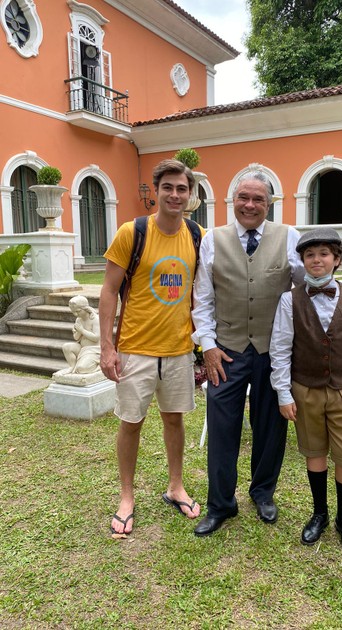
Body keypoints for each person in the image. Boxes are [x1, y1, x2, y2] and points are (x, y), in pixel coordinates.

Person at [191, 170, 342, 537]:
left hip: (272, 351)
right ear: (233, 201)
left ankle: (263, 493)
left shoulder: (289, 237)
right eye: (243, 197)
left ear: (269, 204)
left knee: (270, 428)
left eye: (259, 199)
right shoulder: (212, 240)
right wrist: (207, 346)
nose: (250, 205)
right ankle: (220, 504)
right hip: (226, 349)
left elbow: (315, 280)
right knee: (223, 429)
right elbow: (203, 298)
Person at [99, 159, 204, 537]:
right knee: (132, 422)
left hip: (178, 349)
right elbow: (109, 291)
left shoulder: (197, 235)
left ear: (190, 195)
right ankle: (126, 496)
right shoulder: (133, 232)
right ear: (156, 192)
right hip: (135, 348)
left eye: (182, 189)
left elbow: (204, 293)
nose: (175, 195)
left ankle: (175, 486)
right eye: (168, 188)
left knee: (174, 419)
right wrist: (106, 347)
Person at [269, 227, 342, 555]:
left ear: (337, 259)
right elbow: (281, 347)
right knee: (314, 453)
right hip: (306, 390)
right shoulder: (289, 300)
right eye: (310, 255)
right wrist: (284, 393)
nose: (317, 260)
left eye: (324, 254)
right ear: (302, 260)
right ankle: (320, 513)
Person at [62, 295, 101, 374]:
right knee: (66, 347)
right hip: (83, 348)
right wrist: (77, 331)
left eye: (78, 311)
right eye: (73, 312)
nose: (76, 314)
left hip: (94, 350)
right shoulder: (79, 319)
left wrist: (82, 330)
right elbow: (76, 338)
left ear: (85, 308)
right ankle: (72, 366)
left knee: (81, 369)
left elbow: (96, 338)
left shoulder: (95, 319)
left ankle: (99, 366)